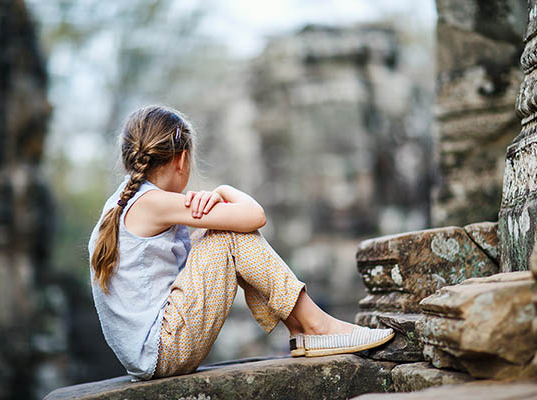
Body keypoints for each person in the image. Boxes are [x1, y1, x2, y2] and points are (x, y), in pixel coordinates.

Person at [88, 105, 394, 381]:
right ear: (182, 160)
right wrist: (222, 190)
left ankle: (302, 328)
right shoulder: (153, 203)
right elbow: (254, 216)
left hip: (154, 352)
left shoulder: (123, 203)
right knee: (227, 235)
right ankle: (315, 325)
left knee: (216, 234)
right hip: (164, 349)